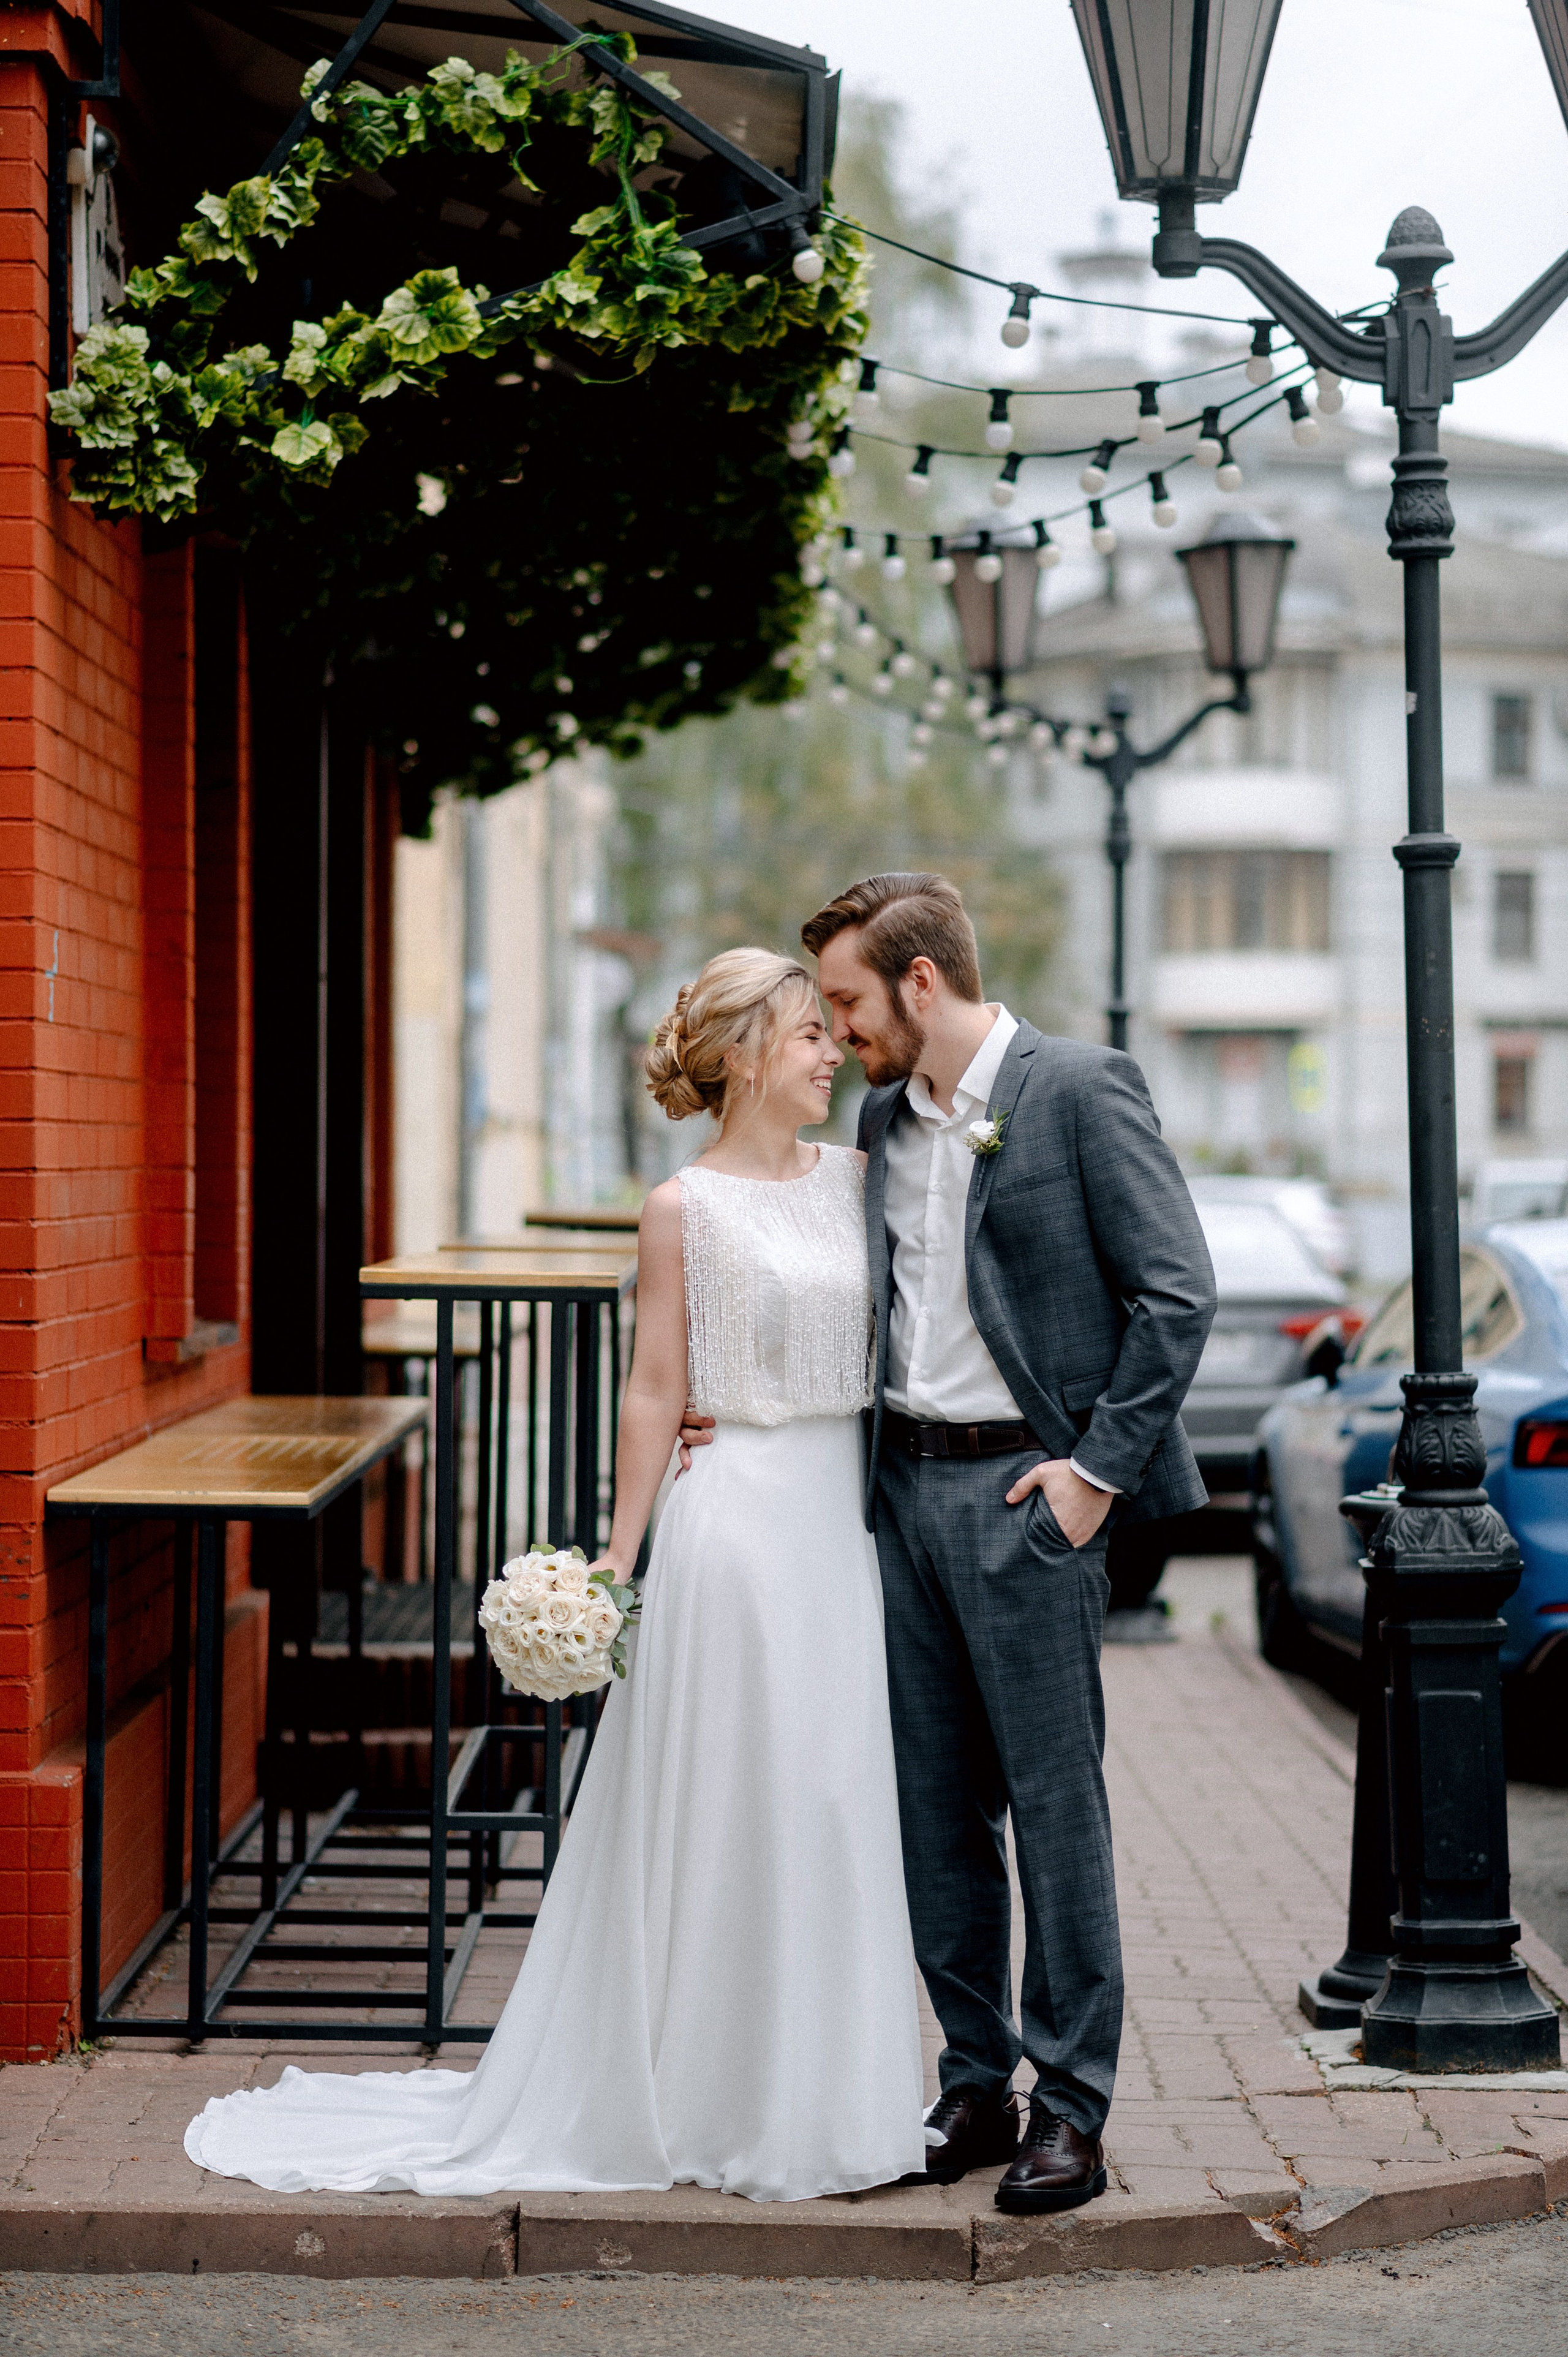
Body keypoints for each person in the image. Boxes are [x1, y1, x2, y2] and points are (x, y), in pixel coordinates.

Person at [184, 948, 925, 2203]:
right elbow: (651, 1385)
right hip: (734, 1523)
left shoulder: (864, 1177)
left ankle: (826, 2093)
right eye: (807, 1034)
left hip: (839, 1527)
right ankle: (698, 2090)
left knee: (833, 1798)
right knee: (728, 1798)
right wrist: (618, 1556)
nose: (828, 1055)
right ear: (745, 1053)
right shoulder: (679, 1207)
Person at [685, 874, 1216, 2215]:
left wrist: (1094, 1474)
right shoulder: (876, 1118)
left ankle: (1071, 2108)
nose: (843, 1027)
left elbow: (1175, 1293)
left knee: (1054, 1808)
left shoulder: (1078, 1090)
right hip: (897, 1499)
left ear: (920, 983)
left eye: (852, 1000)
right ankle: (973, 2082)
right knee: (933, 1812)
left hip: (1025, 1501)